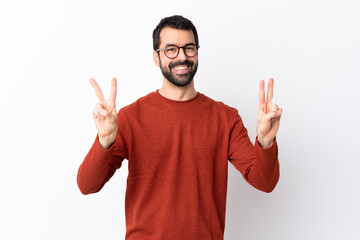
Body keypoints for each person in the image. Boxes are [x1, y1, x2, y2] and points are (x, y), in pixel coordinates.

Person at [77, 15, 283, 240]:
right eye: (171, 50)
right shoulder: (130, 117)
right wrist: (104, 140)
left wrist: (265, 141)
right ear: (156, 57)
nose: (182, 57)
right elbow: (87, 185)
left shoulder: (225, 118)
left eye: (189, 48)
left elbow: (265, 182)